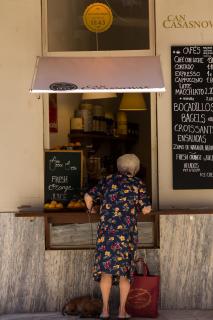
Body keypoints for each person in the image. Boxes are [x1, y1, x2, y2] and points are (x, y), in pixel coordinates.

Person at [84, 154, 151, 319]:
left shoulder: (108, 180)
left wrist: (91, 209)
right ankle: (122, 312)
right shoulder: (137, 183)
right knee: (124, 273)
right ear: (135, 169)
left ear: (119, 167)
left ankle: (105, 311)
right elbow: (146, 209)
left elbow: (88, 197)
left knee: (106, 272)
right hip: (125, 233)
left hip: (106, 232)